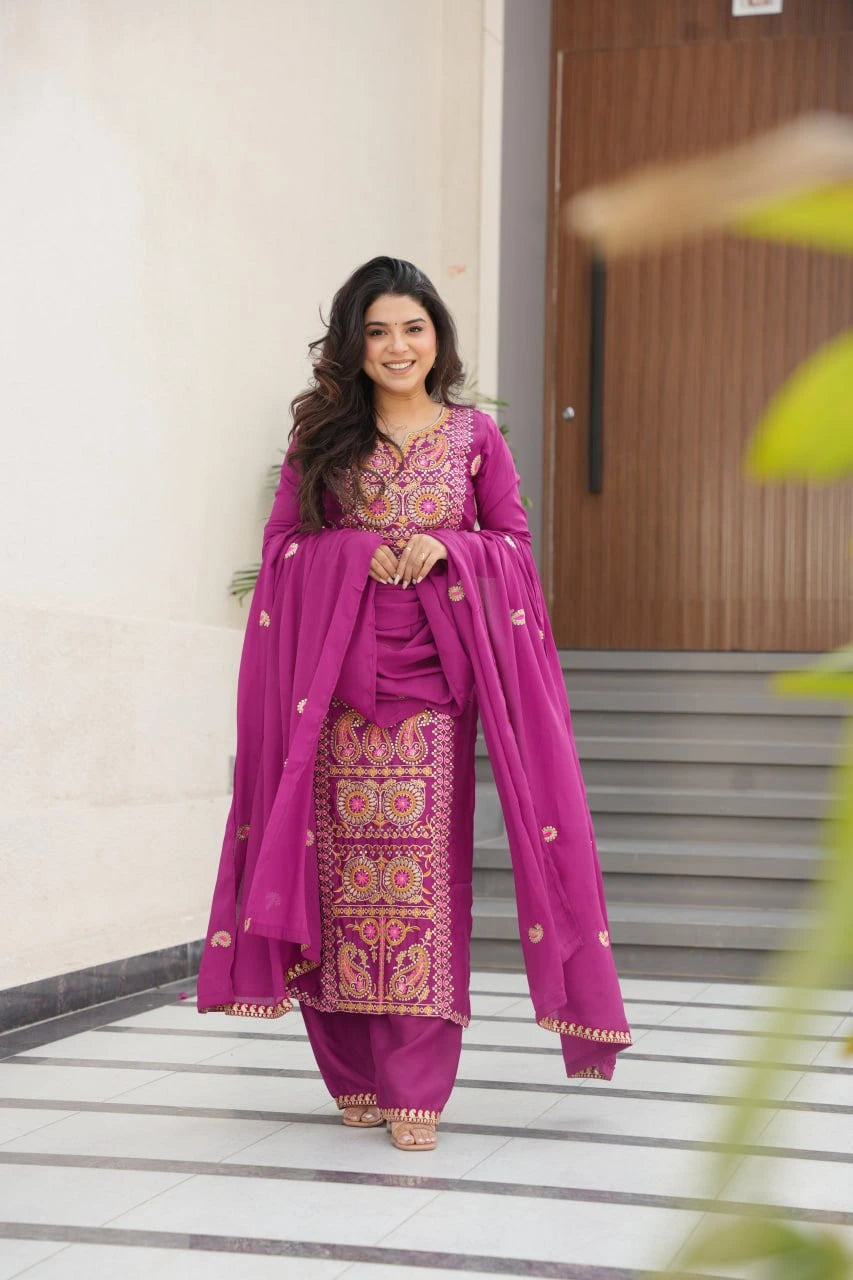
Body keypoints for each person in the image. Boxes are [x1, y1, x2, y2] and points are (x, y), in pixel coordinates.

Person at [196, 255, 631, 1152]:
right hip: (332, 695)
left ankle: (416, 1087)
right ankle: (353, 1077)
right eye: (378, 330)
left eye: (413, 328)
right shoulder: (322, 438)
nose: (397, 346)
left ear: (438, 338)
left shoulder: (474, 438)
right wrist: (353, 553)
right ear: (354, 345)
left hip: (431, 692)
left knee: (421, 889)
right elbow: (281, 549)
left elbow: (511, 546)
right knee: (335, 883)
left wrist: (446, 550)